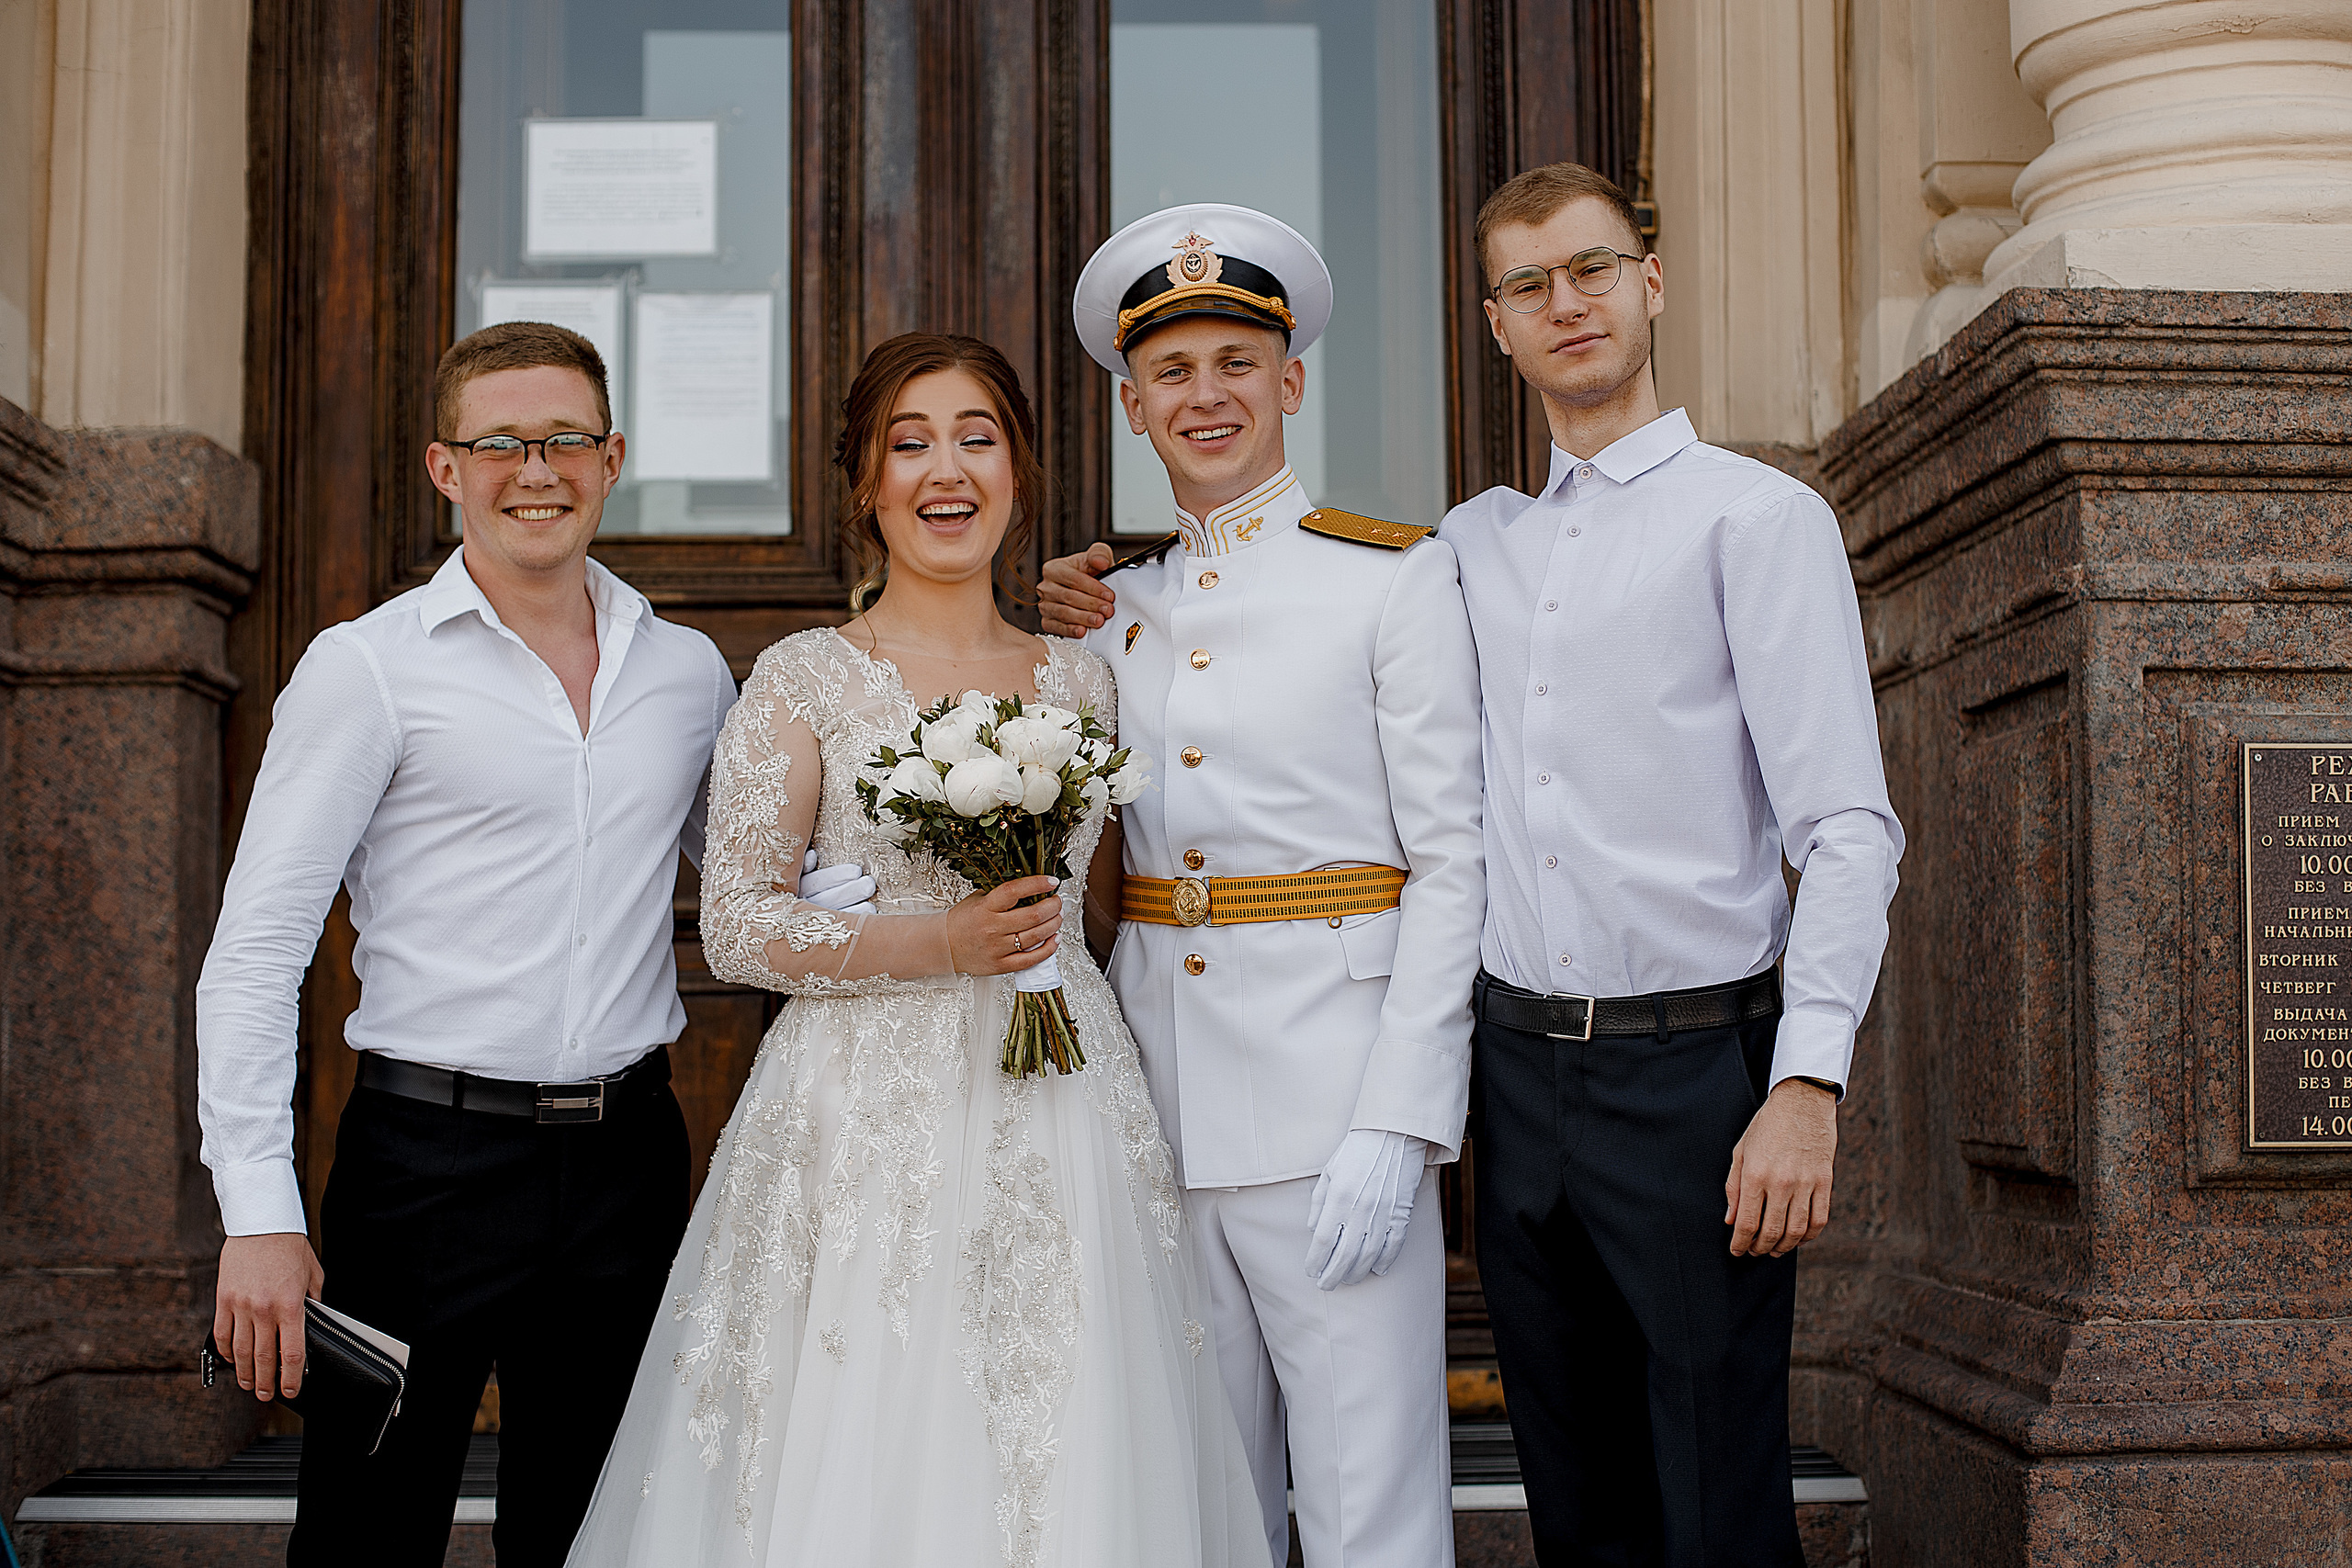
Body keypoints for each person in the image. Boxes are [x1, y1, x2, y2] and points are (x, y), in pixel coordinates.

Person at [1041, 164, 1903, 1568]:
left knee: (1711, 1473)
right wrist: (1074, 607)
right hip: (1514, 1082)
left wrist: (1806, 1081)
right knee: (1567, 1473)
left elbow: (1846, 831)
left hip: (1690, 1067)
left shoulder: (1746, 520)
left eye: (1594, 271)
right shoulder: (1468, 546)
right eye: (1527, 286)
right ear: (1494, 323)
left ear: (1650, 282)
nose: (1566, 306)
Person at [560, 332, 1264, 1568]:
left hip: (1061, 1096)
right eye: (911, 442)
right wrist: (933, 938)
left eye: (978, 438)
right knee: (873, 1418)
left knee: (1065, 1424)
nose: (948, 470)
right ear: (868, 484)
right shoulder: (802, 679)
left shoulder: (1085, 679)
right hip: (860, 1116)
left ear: (1019, 472)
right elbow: (735, 924)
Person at [194, 321, 868, 1567]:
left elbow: (764, 891)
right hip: (422, 1172)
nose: (536, 468)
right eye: (499, 442)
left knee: (593, 1533)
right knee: (365, 1537)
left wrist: (934, 882)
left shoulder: (684, 674)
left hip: (624, 1165)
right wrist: (256, 1212)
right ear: (446, 468)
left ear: (612, 459)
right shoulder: (369, 671)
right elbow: (255, 951)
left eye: (564, 439)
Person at [1047, 205, 1485, 1568]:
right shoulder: (1119, 605)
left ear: (1290, 382)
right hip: (1158, 1110)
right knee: (1203, 1505)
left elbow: (1454, 863)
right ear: (1133, 407)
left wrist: (1400, 1123)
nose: (1207, 395)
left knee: (1370, 1511)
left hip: (1332, 1108)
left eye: (1237, 362)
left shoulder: (1392, 579)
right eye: (1173, 374)